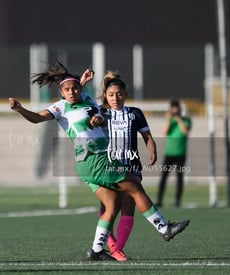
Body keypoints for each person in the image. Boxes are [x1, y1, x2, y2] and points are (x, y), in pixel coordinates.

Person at [9, 62, 189, 261]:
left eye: (75, 88)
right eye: (67, 89)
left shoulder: (85, 97)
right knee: (135, 188)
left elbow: (92, 109)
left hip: (88, 164)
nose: (72, 92)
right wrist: (20, 109)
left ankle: (96, 250)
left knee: (111, 206)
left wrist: (95, 111)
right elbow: (36, 118)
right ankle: (164, 228)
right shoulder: (60, 107)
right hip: (96, 159)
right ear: (61, 91)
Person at [87, 70, 157, 261]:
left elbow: (147, 136)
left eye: (119, 94)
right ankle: (108, 243)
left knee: (128, 206)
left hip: (131, 166)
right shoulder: (101, 113)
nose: (115, 98)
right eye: (111, 95)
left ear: (125, 94)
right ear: (105, 96)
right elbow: (89, 125)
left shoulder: (135, 113)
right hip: (108, 166)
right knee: (109, 206)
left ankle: (118, 249)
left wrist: (152, 149)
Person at [156, 99, 191, 208]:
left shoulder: (186, 120)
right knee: (164, 177)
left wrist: (179, 119)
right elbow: (165, 132)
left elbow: (185, 132)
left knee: (179, 177)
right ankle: (159, 200)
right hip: (169, 153)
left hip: (180, 153)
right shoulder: (170, 121)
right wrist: (169, 120)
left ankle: (177, 201)